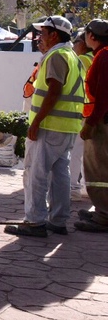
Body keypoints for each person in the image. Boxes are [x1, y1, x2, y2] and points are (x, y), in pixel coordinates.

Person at [5, 16, 85, 238]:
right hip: (67, 126)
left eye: (44, 33)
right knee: (60, 174)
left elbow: (54, 91)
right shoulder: (72, 56)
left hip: (50, 127)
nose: (40, 37)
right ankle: (57, 220)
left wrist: (37, 121)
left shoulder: (56, 56)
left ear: (55, 35)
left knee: (36, 174)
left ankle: (34, 222)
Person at [77, 19, 108, 233]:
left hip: (103, 122)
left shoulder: (104, 56)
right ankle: (102, 210)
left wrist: (91, 122)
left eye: (86, 33)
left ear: (93, 36)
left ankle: (103, 215)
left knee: (99, 170)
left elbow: (104, 96)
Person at [69, 33, 94, 200]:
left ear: (83, 43)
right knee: (89, 153)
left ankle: (73, 188)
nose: (73, 46)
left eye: (75, 42)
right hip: (95, 113)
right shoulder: (98, 56)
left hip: (84, 111)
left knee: (76, 151)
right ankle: (87, 188)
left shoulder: (83, 60)